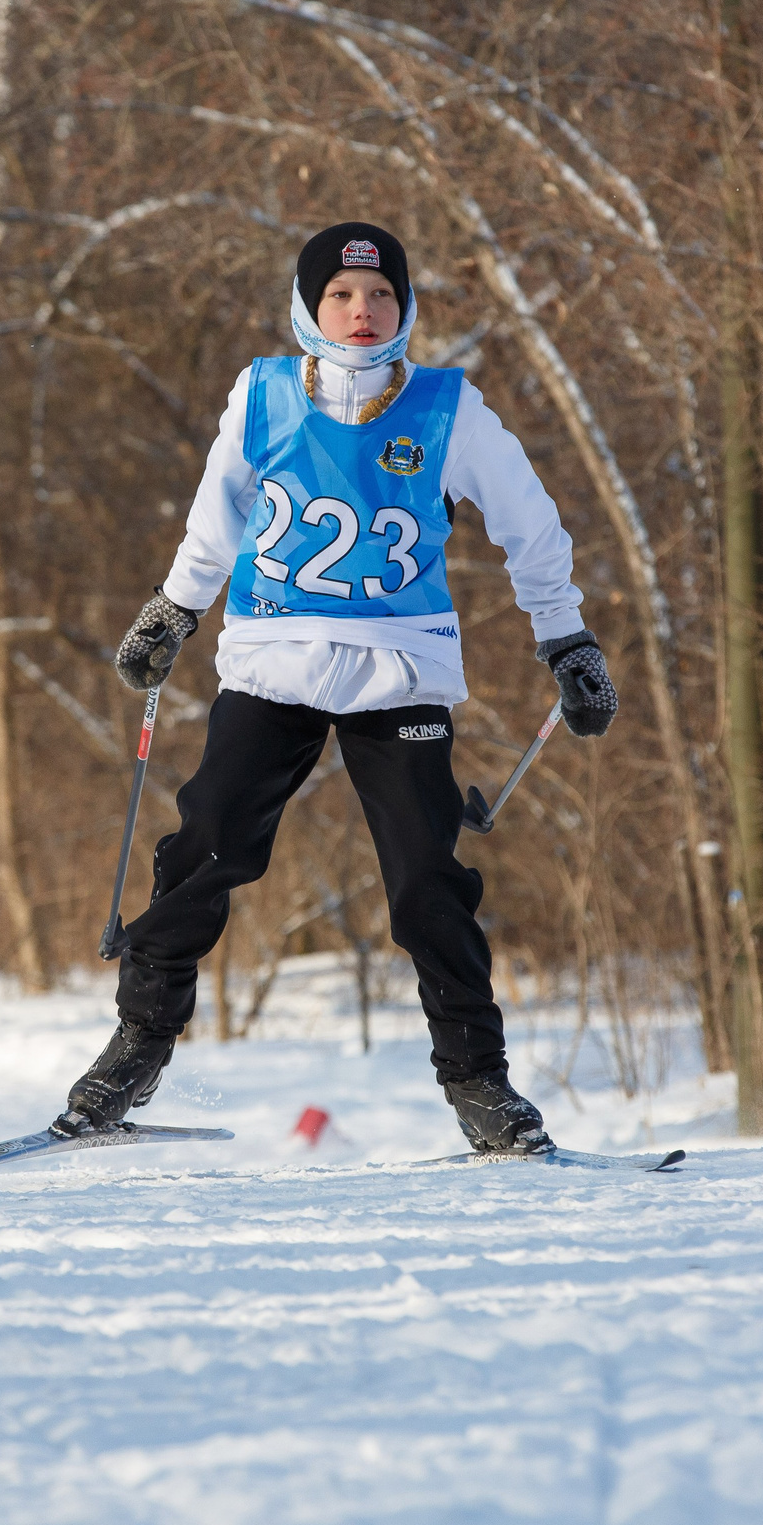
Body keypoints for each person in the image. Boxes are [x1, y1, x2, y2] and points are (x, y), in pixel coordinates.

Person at [63, 223, 620, 1156]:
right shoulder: (265, 395)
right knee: (208, 842)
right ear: (309, 307)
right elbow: (218, 517)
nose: (363, 314)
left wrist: (565, 637)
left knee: (426, 879)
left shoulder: (451, 409)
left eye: (383, 299)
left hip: (400, 668)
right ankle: (138, 1045)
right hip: (273, 659)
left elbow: (532, 524)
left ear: (405, 310)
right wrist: (173, 609)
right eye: (342, 298)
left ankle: (481, 1084)